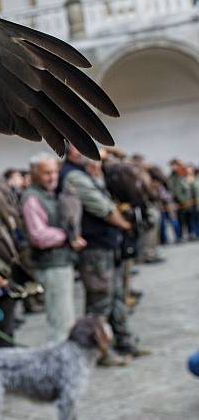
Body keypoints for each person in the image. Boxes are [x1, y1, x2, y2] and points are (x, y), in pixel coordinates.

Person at [60, 144, 147, 362]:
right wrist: (126, 225)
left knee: (117, 297)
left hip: (107, 245)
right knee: (100, 302)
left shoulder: (85, 173)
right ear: (70, 150)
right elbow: (103, 208)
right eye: (80, 145)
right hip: (95, 248)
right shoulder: (73, 176)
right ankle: (99, 351)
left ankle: (124, 342)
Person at [21, 153, 84, 342]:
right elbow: (38, 235)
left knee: (66, 318)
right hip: (52, 265)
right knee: (61, 322)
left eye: (55, 172)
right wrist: (68, 236)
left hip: (61, 261)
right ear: (34, 174)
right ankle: (59, 365)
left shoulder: (48, 194)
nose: (52, 177)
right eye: (47, 173)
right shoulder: (32, 198)